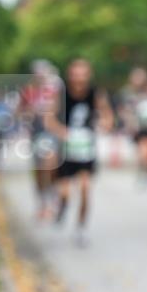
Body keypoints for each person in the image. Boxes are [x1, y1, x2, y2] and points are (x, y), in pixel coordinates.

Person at [46, 59, 114, 247]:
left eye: (83, 75)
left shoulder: (96, 94)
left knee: (85, 189)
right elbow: (49, 119)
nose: (79, 79)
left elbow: (108, 115)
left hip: (86, 149)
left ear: (89, 75)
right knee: (64, 191)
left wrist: (105, 124)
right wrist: (61, 131)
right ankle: (61, 205)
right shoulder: (61, 94)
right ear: (70, 75)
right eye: (76, 75)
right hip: (66, 149)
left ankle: (81, 228)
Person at [18, 60, 62, 220]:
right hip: (36, 133)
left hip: (51, 132)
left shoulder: (54, 89)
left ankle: (53, 195)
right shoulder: (28, 91)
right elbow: (18, 111)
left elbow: (59, 108)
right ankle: (42, 203)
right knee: (39, 171)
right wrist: (28, 113)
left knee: (50, 164)